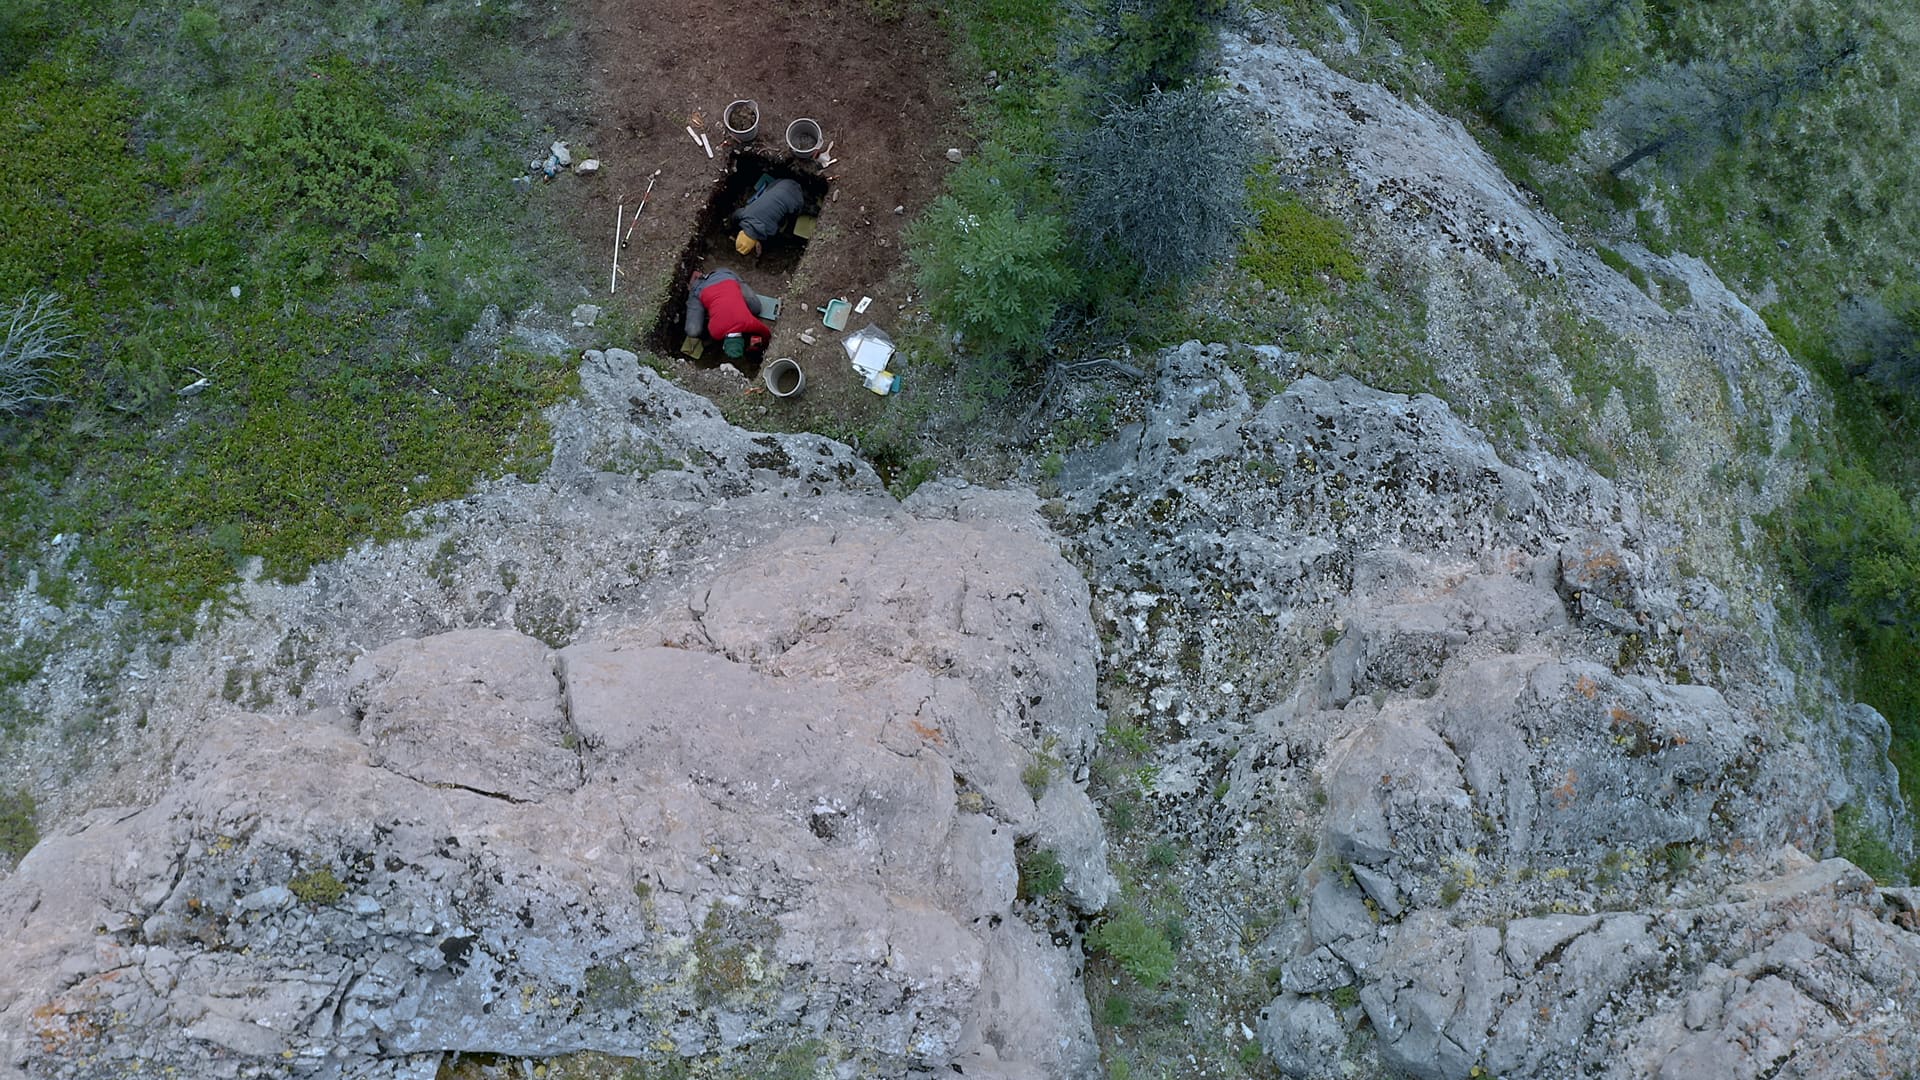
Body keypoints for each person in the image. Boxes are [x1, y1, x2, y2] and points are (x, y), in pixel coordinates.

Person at [683, 268, 771, 359]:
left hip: (725, 277)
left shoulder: (748, 322)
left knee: (756, 308)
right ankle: (696, 284)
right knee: (692, 331)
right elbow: (766, 333)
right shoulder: (716, 332)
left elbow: (766, 333)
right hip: (703, 287)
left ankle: (730, 285)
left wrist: (760, 344)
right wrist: (756, 348)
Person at [730, 177, 807, 258]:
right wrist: (732, 227)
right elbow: (735, 215)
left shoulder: (769, 230)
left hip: (797, 197)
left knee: (790, 221)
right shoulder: (745, 214)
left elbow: (776, 231)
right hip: (782, 183)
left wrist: (759, 243)